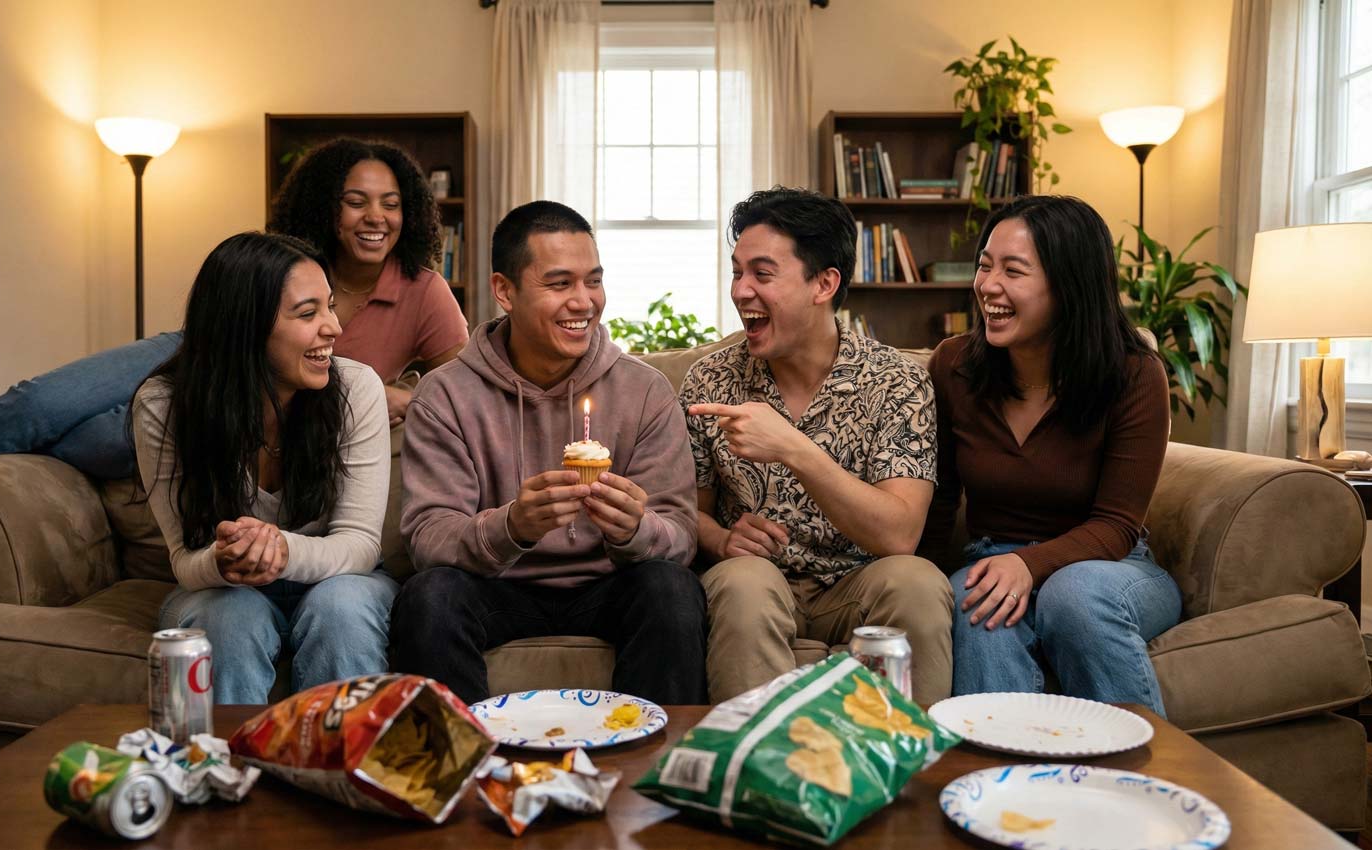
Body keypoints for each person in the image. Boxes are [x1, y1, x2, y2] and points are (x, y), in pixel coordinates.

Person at [0, 138, 467, 478]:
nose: (376, 217)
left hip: (254, 403)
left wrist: (404, 396)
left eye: (391, 204)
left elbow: (465, 390)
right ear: (326, 207)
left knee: (109, 439)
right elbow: (227, 315)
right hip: (201, 348)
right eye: (356, 202)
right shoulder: (284, 261)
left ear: (409, 212)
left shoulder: (423, 290)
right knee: (41, 399)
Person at [390, 200, 705, 706]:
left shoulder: (645, 391)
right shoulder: (446, 394)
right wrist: (512, 526)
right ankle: (462, 755)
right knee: (428, 597)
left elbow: (681, 536)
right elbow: (428, 538)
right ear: (504, 291)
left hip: (611, 584)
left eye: (593, 281)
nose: (584, 302)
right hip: (495, 587)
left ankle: (653, 755)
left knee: (672, 589)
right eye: (559, 284)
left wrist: (634, 528)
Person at [681, 187, 952, 706]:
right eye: (736, 273)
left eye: (762, 274)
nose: (741, 291)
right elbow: (684, 512)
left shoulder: (897, 381)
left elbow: (900, 533)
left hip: (858, 582)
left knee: (916, 582)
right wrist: (721, 539)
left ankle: (899, 751)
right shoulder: (710, 380)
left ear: (824, 283)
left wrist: (794, 448)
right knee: (742, 583)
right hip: (757, 581)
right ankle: (757, 754)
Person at [923, 194, 1176, 714]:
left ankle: (1140, 762)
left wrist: (1029, 563)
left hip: (1109, 566)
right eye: (985, 266)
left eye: (1013, 271)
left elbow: (1118, 525)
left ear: (1069, 285)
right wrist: (916, 582)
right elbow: (938, 500)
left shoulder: (1134, 373)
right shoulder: (954, 367)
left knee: (1072, 596)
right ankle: (1002, 766)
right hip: (990, 557)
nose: (988, 285)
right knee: (978, 603)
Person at [135, 231, 396, 702]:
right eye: (308, 313)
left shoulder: (357, 389)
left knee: (341, 609)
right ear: (245, 326)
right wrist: (221, 560)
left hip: (340, 579)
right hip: (222, 592)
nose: (334, 328)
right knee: (229, 617)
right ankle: (225, 751)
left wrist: (279, 550)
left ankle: (341, 750)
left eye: (330, 306)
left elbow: (359, 544)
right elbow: (184, 560)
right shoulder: (165, 406)